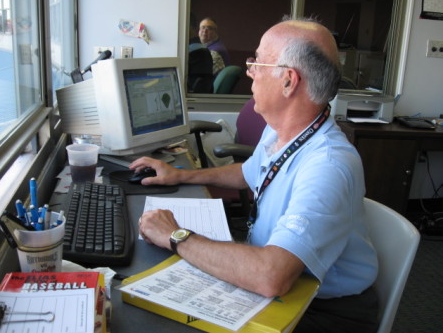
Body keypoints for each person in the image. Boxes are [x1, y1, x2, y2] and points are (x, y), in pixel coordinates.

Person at [131, 17, 379, 333]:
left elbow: (271, 276)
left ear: (288, 81)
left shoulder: (328, 165)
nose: (249, 71)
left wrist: (175, 236)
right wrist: (181, 176)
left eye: (258, 62)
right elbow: (249, 173)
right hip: (283, 282)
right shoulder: (280, 130)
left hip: (323, 310)